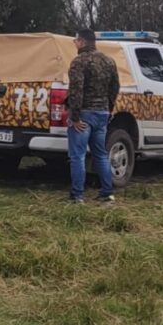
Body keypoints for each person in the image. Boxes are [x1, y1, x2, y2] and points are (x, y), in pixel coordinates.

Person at [66, 29, 120, 204]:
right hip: (102, 113)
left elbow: (76, 91)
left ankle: (77, 196)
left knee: (78, 156)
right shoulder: (109, 61)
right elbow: (115, 88)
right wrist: (108, 108)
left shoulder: (79, 62)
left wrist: (74, 117)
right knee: (101, 155)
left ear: (81, 41)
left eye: (76, 41)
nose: (75, 44)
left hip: (84, 114)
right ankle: (107, 193)